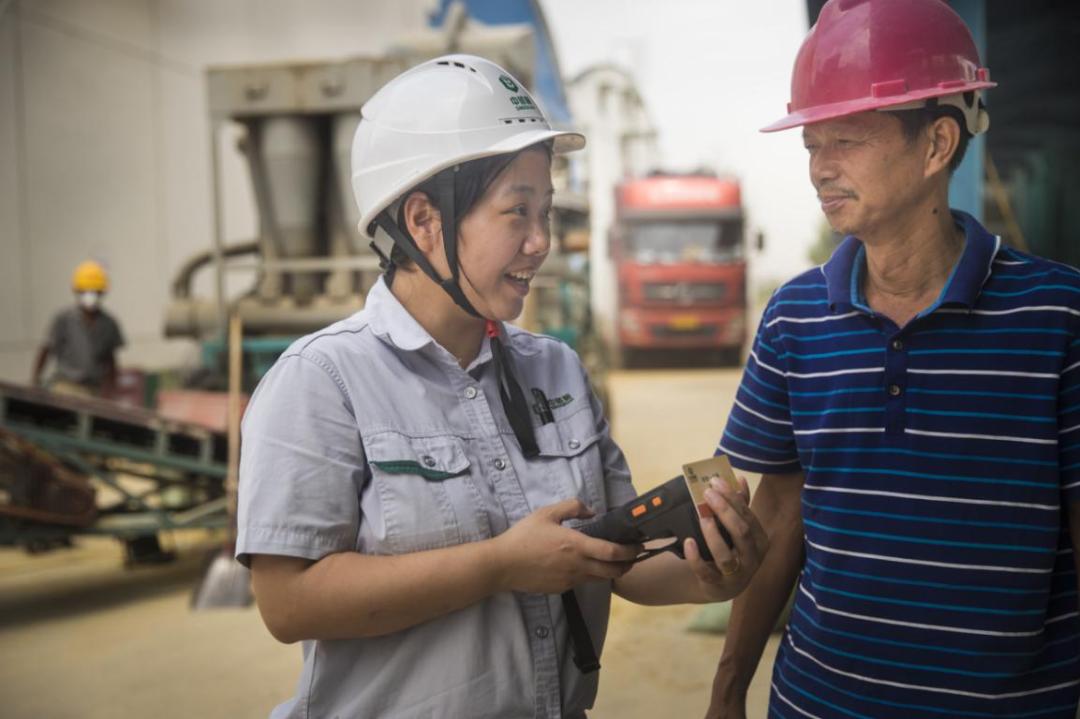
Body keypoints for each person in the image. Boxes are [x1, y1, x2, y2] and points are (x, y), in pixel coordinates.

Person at [236, 54, 768, 719]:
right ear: (424, 219)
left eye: (545, 211)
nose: (541, 241)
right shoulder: (322, 380)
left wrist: (712, 570)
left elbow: (617, 558)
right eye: (516, 212)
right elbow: (287, 603)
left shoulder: (557, 371)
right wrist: (498, 564)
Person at [706, 1, 1080, 717]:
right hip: (816, 700)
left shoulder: (1058, 315)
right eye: (812, 144)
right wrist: (727, 691)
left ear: (938, 144)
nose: (820, 169)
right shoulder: (793, 317)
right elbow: (781, 513)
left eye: (845, 140)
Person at [32, 260, 125, 397]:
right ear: (77, 291)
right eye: (86, 291)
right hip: (66, 386)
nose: (90, 296)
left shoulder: (109, 324)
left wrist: (111, 391)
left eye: (95, 291)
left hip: (94, 389)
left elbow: (111, 361)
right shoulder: (64, 319)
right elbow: (47, 349)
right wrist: (35, 380)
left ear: (102, 293)